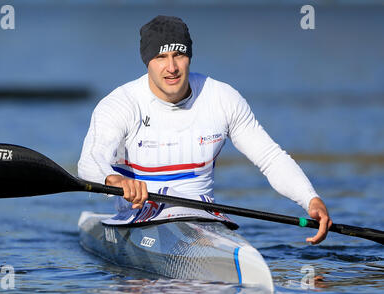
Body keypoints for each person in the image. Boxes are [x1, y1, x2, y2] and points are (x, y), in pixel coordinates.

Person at [78, 15, 332, 244]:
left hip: (204, 222)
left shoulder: (221, 98)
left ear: (189, 56)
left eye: (179, 55)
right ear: (147, 61)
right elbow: (90, 161)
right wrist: (115, 180)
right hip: (138, 218)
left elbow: (270, 158)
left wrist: (310, 198)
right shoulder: (121, 104)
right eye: (161, 57)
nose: (172, 67)